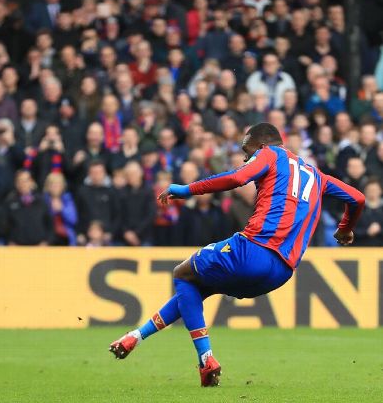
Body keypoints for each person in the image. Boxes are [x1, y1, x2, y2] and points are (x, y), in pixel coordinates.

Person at [109, 123, 365, 387]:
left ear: (263, 144)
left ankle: (206, 358)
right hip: (281, 272)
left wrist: (187, 189)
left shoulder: (270, 154)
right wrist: (345, 230)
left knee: (182, 274)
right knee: (196, 289)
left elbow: (237, 178)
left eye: (247, 149)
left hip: (252, 249)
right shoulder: (316, 175)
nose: (246, 157)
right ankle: (136, 336)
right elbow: (356, 198)